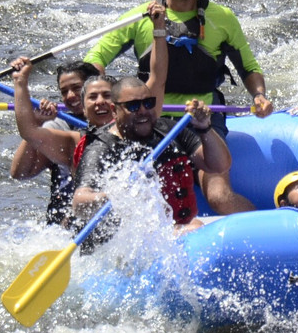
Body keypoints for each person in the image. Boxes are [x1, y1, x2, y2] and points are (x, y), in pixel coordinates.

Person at [82, 0, 271, 215]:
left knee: (219, 197)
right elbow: (94, 61)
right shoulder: (138, 18)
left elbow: (249, 68)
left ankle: (263, 227)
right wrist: (101, 99)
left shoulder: (223, 19)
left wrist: (259, 95)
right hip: (148, 117)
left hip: (202, 115)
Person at [10, 2, 169, 225]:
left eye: (106, 95)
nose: (100, 102)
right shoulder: (75, 140)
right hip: (85, 227)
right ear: (83, 109)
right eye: (92, 98)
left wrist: (159, 30)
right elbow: (29, 132)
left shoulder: (140, 121)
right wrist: (20, 83)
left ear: (116, 104)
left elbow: (158, 77)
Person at [72, 77, 232, 237]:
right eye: (133, 106)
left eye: (148, 103)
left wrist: (205, 127)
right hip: (134, 240)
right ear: (114, 110)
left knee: (194, 226)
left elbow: (219, 165)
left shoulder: (169, 130)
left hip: (180, 228)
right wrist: (118, 196)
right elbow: (79, 203)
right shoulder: (101, 148)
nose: (142, 111)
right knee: (194, 227)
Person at [9, 60, 98, 227]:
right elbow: (20, 172)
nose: (70, 96)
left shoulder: (121, 127)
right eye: (64, 91)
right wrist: (37, 123)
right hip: (62, 226)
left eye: (76, 88)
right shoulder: (58, 127)